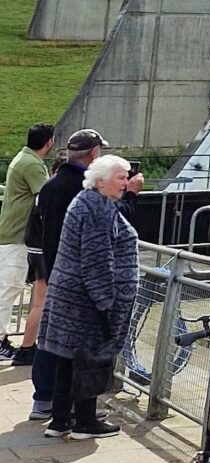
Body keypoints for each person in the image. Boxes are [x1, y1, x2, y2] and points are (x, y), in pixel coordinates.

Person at [38, 151, 140, 439]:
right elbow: (97, 260)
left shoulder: (88, 201)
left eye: (127, 177)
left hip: (72, 295)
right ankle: (84, 421)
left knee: (69, 358)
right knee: (90, 358)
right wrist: (105, 302)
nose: (126, 182)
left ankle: (60, 420)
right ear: (101, 181)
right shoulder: (98, 209)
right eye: (120, 177)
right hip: (86, 301)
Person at [0, 125, 53, 361]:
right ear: (49, 142)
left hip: (10, 233)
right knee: (8, 289)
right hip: (17, 236)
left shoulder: (23, 158)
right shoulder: (32, 164)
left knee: (6, 289)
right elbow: (48, 194)